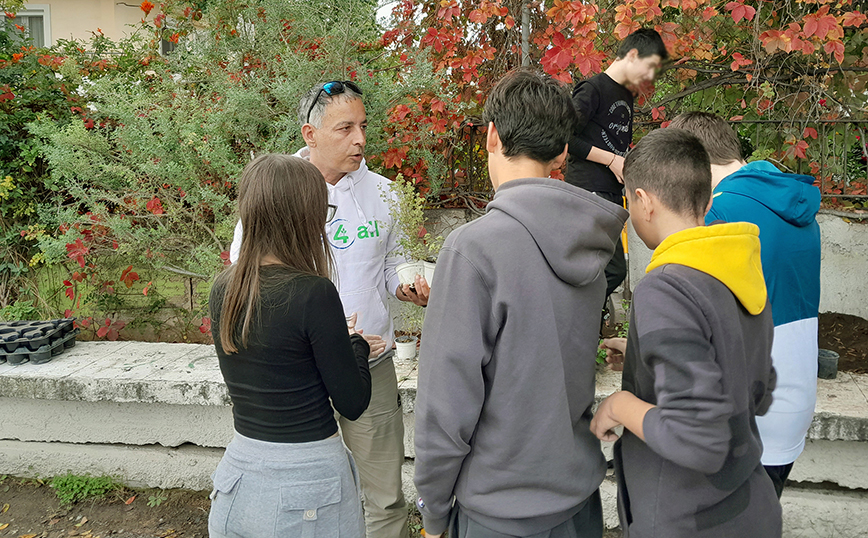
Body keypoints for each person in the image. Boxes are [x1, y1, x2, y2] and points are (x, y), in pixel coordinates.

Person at [414, 69, 628, 538]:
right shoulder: (591, 242)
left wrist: (432, 514)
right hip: (578, 501)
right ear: (562, 152)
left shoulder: (473, 249)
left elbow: (444, 408)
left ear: (492, 135)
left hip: (498, 512)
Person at [229, 81, 424, 538]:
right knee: (303, 494)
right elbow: (248, 271)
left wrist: (406, 284)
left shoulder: (387, 194)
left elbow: (394, 262)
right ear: (310, 134)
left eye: (363, 126)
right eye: (345, 128)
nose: (360, 139)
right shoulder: (276, 192)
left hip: (370, 363)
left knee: (385, 494)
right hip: (298, 374)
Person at [590, 128, 781, 538]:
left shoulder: (667, 287)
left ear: (643, 201)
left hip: (687, 518)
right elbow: (758, 386)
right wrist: (647, 355)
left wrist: (621, 405)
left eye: (628, 199)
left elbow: (698, 440)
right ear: (707, 200)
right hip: (749, 505)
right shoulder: (738, 267)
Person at [208, 154, 371, 538]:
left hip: (238, 478)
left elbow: (274, 357)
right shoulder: (313, 293)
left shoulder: (223, 289)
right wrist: (357, 346)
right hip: (308, 489)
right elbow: (352, 402)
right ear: (304, 216)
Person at [668, 111, 821, 498]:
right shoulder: (792, 205)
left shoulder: (718, 214)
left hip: (746, 414)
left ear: (691, 162)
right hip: (793, 400)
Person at [565, 28, 668, 321]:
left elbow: (616, 143)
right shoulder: (593, 89)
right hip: (587, 192)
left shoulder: (625, 95)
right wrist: (611, 160)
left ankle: (581, 328)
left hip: (611, 195)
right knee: (612, 270)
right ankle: (570, 316)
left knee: (600, 270)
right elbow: (565, 138)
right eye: (649, 67)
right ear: (633, 55)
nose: (649, 77)